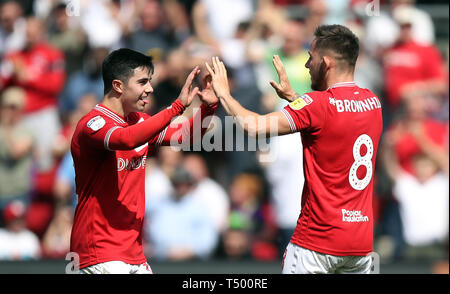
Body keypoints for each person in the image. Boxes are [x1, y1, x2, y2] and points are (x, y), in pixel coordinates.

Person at [206, 24, 383, 274]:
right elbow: (331, 120)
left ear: (327, 62)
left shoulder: (315, 105)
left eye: (311, 57)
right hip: (359, 245)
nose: (306, 64)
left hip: (317, 242)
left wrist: (225, 94)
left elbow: (254, 126)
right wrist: (294, 99)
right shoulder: (372, 102)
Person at [70, 48, 218, 274]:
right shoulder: (92, 124)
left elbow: (186, 136)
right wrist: (177, 107)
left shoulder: (139, 121)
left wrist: (209, 108)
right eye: (142, 82)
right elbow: (126, 139)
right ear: (118, 86)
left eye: (149, 81)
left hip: (133, 253)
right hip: (98, 252)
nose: (150, 88)